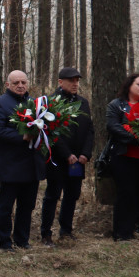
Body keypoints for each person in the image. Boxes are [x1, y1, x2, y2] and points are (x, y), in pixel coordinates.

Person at [0, 70, 46, 250]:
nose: (20, 86)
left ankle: (22, 239)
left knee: (27, 205)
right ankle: (5, 241)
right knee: (6, 206)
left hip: (32, 164)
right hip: (11, 164)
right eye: (16, 83)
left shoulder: (35, 104)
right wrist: (22, 136)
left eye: (23, 82)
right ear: (8, 85)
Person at [39, 67, 94, 245]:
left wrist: (86, 153)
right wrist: (67, 154)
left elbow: (89, 130)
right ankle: (46, 233)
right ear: (60, 82)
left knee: (72, 194)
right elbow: (51, 131)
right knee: (53, 195)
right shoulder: (51, 102)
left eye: (77, 80)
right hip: (57, 160)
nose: (75, 84)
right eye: (71, 81)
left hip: (78, 161)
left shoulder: (83, 103)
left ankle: (66, 230)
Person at [106, 74, 139, 241]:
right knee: (125, 192)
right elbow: (113, 127)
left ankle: (133, 228)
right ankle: (120, 232)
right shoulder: (116, 105)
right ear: (129, 86)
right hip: (123, 156)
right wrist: (135, 139)